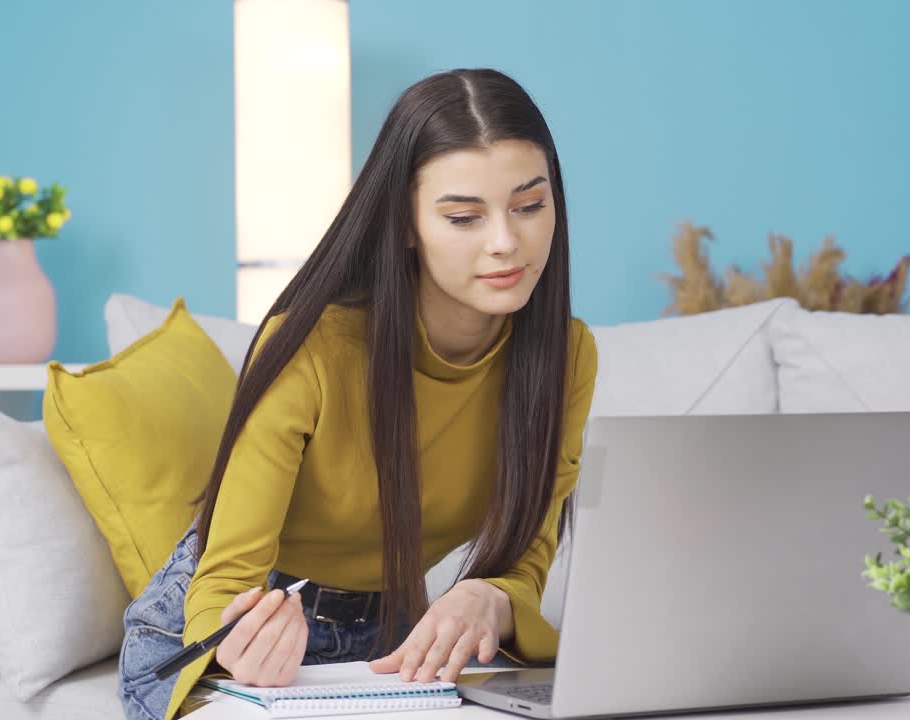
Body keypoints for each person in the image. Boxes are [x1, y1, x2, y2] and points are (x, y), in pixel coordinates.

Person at [117, 67, 599, 720]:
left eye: (530, 205)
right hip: (227, 628)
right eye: (463, 216)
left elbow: (524, 561)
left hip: (389, 633)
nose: (506, 242)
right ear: (404, 224)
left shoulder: (565, 357)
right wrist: (239, 649)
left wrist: (493, 598)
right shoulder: (312, 346)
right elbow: (222, 582)